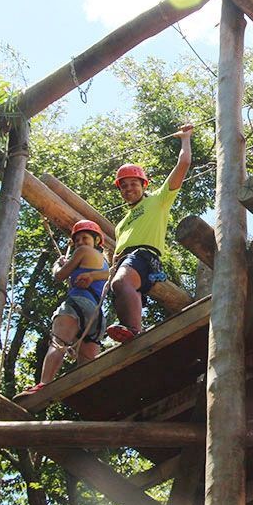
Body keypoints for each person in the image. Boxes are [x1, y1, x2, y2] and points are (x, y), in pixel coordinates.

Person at [76, 123, 193, 343]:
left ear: (144, 184)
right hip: (127, 263)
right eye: (124, 187)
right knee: (120, 286)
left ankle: (132, 328)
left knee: (121, 283)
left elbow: (184, 163)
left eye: (133, 184)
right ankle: (134, 332)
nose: (129, 189)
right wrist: (111, 266)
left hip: (144, 257)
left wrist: (185, 138)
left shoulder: (158, 200)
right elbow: (117, 254)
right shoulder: (121, 225)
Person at [15, 219, 110, 398]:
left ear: (96, 241)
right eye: (78, 240)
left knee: (58, 343)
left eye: (85, 238)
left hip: (77, 305)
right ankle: (90, 395)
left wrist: (58, 265)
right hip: (96, 316)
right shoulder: (104, 263)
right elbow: (108, 275)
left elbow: (59, 276)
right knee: (87, 366)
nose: (80, 243)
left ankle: (44, 384)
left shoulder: (82, 252)